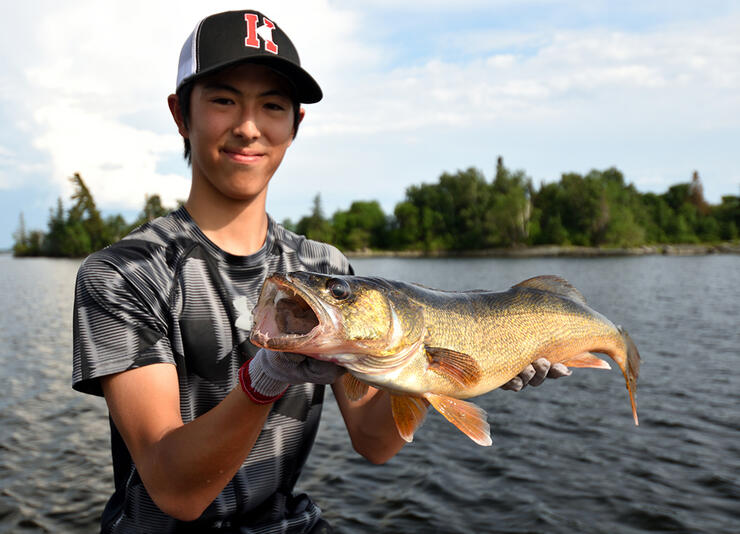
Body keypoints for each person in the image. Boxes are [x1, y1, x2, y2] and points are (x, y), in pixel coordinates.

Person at [72, 9, 569, 533]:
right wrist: (266, 377)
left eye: (273, 106)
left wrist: (447, 370)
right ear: (181, 114)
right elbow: (174, 490)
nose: (248, 127)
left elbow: (375, 444)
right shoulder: (122, 274)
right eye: (223, 100)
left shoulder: (325, 269)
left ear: (295, 125)